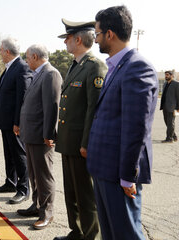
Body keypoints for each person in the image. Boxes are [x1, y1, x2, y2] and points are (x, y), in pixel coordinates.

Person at [86, 6, 158, 240]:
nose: (95, 40)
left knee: (126, 234)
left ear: (110, 34)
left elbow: (136, 127)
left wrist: (128, 176)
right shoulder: (116, 66)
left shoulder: (137, 67)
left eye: (97, 34)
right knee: (111, 234)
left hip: (119, 172)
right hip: (105, 167)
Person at [54, 19, 107, 240]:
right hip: (68, 141)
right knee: (72, 193)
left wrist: (86, 143)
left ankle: (90, 235)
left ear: (78, 39)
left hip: (80, 144)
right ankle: (76, 231)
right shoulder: (77, 65)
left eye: (67, 38)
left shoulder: (94, 66)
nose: (65, 42)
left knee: (86, 195)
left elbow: (93, 110)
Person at [17, 44, 61, 230]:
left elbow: (52, 106)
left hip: (41, 136)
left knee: (43, 175)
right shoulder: (39, 74)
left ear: (35, 56)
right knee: (34, 175)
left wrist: (49, 134)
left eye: (27, 57)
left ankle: (46, 213)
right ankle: (37, 205)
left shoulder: (51, 74)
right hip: (31, 133)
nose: (26, 61)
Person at [0, 37, 32, 204]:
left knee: (19, 154)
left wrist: (18, 122)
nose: (0, 53)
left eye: (1, 50)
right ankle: (11, 182)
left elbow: (22, 98)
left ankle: (23, 188)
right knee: (9, 153)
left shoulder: (22, 67)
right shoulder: (9, 68)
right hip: (5, 121)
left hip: (14, 122)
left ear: (7, 51)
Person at [160, 70, 179, 143]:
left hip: (172, 107)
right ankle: (174, 136)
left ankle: (169, 138)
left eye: (167, 75)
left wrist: (178, 107)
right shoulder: (165, 84)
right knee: (167, 122)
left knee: (171, 123)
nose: (166, 76)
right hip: (165, 106)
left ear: (172, 76)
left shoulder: (176, 84)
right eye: (165, 75)